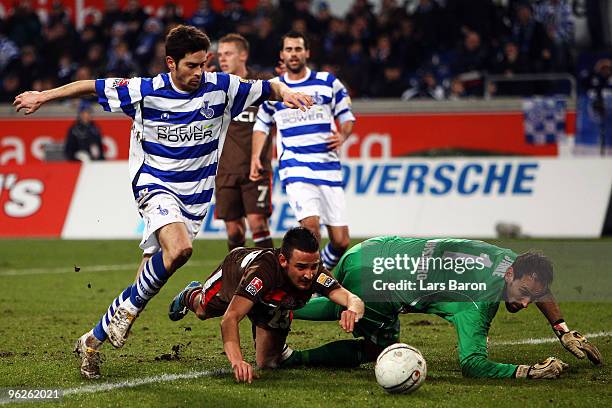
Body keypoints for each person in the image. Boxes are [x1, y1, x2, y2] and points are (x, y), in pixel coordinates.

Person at [13, 24, 312, 379]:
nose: (200, 73)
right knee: (180, 250)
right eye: (191, 66)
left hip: (195, 196)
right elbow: (89, 87)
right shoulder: (145, 90)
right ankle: (123, 314)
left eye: (204, 64)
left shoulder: (222, 87)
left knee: (158, 267)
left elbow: (268, 86)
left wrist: (286, 93)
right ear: (171, 63)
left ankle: (94, 338)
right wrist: (42, 96)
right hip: (154, 183)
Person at [282, 236, 602, 379]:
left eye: (532, 297)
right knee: (376, 350)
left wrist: (561, 329)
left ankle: (276, 304)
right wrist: (529, 373)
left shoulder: (508, 259)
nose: (525, 302)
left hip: (370, 251)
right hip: (380, 282)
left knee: (333, 300)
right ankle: (292, 354)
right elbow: (473, 365)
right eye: (522, 293)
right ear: (509, 275)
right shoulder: (478, 300)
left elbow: (539, 287)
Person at [168, 227, 365, 383]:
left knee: (268, 363)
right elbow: (230, 318)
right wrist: (237, 362)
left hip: (271, 303)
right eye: (301, 267)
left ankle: (277, 325)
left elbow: (353, 299)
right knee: (203, 310)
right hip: (235, 275)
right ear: (283, 261)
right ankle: (190, 294)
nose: (309, 274)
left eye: (314, 266)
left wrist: (352, 310)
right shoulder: (262, 274)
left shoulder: (316, 274)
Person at [250, 31, 355, 271]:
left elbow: (347, 116)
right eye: (289, 49)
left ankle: (320, 272)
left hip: (328, 168)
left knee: (341, 241)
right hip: (296, 167)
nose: (293, 54)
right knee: (311, 229)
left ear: (307, 52)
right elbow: (262, 125)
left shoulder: (328, 82)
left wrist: (343, 135)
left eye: (298, 49)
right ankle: (311, 283)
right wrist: (256, 156)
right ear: (282, 54)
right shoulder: (276, 90)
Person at [215, 33, 274, 250]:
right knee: (234, 230)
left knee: (258, 223)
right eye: (220, 54)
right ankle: (238, 275)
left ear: (243, 55)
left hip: (255, 168)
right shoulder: (215, 89)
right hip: (224, 170)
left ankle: (268, 276)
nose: (222, 59)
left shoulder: (262, 86)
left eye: (228, 54)